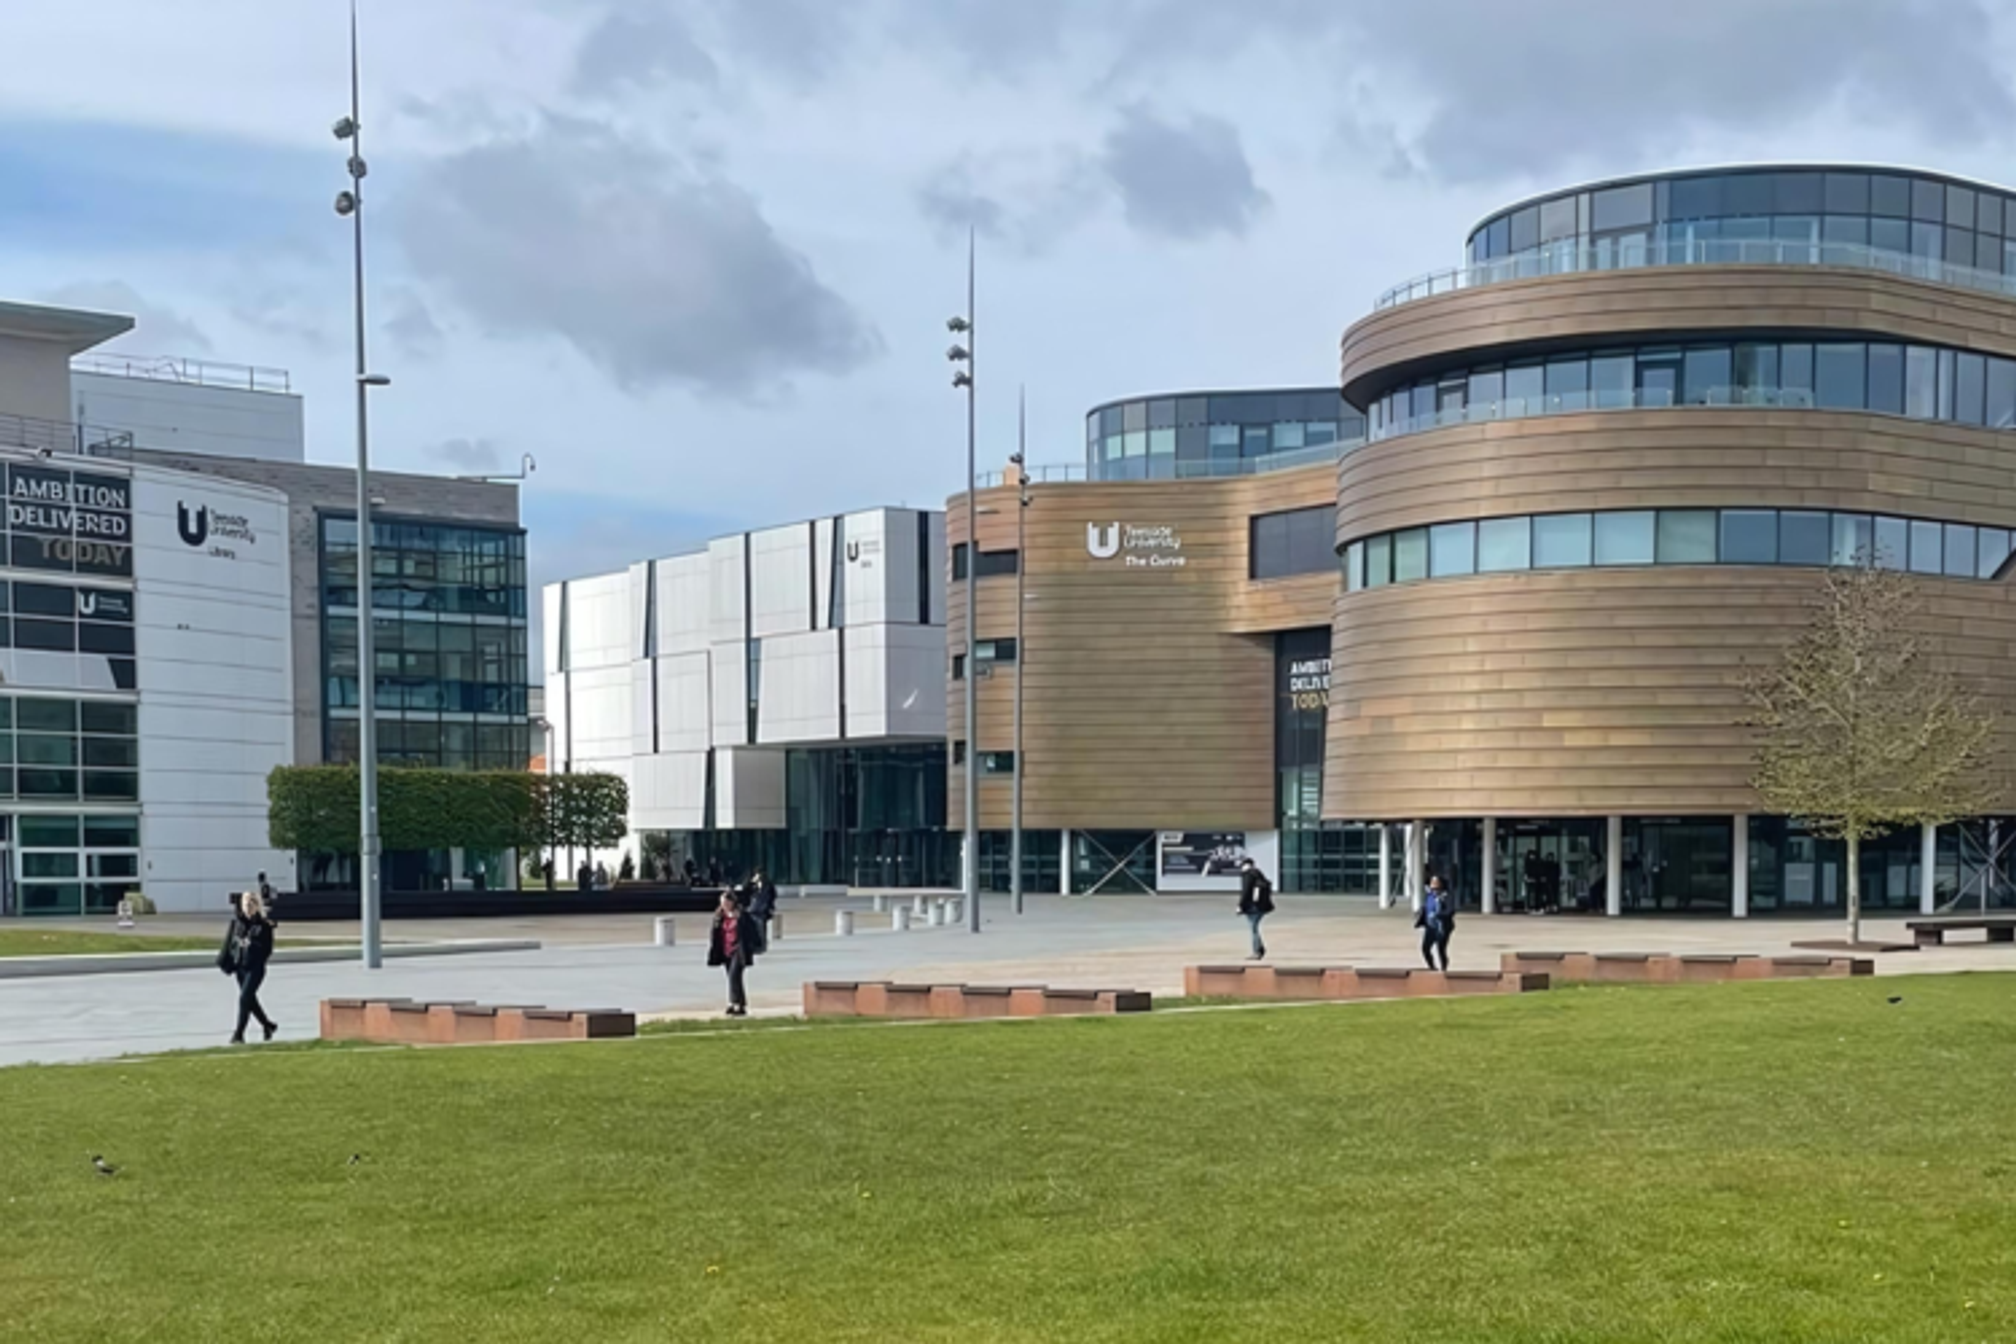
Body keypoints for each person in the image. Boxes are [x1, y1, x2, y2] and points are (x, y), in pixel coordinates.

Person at [221, 889, 279, 1044]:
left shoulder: (264, 926)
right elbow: (228, 944)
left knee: (244, 998)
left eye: (252, 903)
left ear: (257, 906)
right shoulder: (236, 923)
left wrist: (252, 946)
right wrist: (225, 962)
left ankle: (238, 1034)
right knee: (249, 1000)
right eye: (246, 903)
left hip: (255, 968)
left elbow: (267, 950)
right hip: (240, 966)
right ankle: (267, 1025)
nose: (248, 906)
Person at [707, 890, 761, 1017]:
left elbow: (752, 931)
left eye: (726, 902)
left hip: (739, 950)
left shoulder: (742, 916)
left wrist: (753, 946)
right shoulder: (719, 916)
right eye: (722, 903)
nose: (724, 905)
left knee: (734, 975)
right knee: (733, 978)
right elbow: (715, 934)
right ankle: (740, 1004)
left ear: (732, 902)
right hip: (726, 950)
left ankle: (734, 1003)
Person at [1236, 858, 1274, 961]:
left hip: (1253, 907)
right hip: (1263, 905)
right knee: (1254, 928)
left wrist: (1240, 905)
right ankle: (1260, 949)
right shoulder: (1258, 874)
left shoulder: (1247, 875)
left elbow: (1246, 891)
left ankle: (1257, 951)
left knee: (1253, 929)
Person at [1417, 875, 1455, 971]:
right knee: (1425, 948)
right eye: (1432, 881)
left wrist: (1438, 915)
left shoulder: (1446, 895)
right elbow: (1426, 908)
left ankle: (1444, 967)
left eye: (1436, 882)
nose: (1433, 884)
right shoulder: (1429, 895)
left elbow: (1450, 910)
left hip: (1442, 926)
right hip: (1430, 926)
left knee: (1440, 949)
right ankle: (1432, 967)